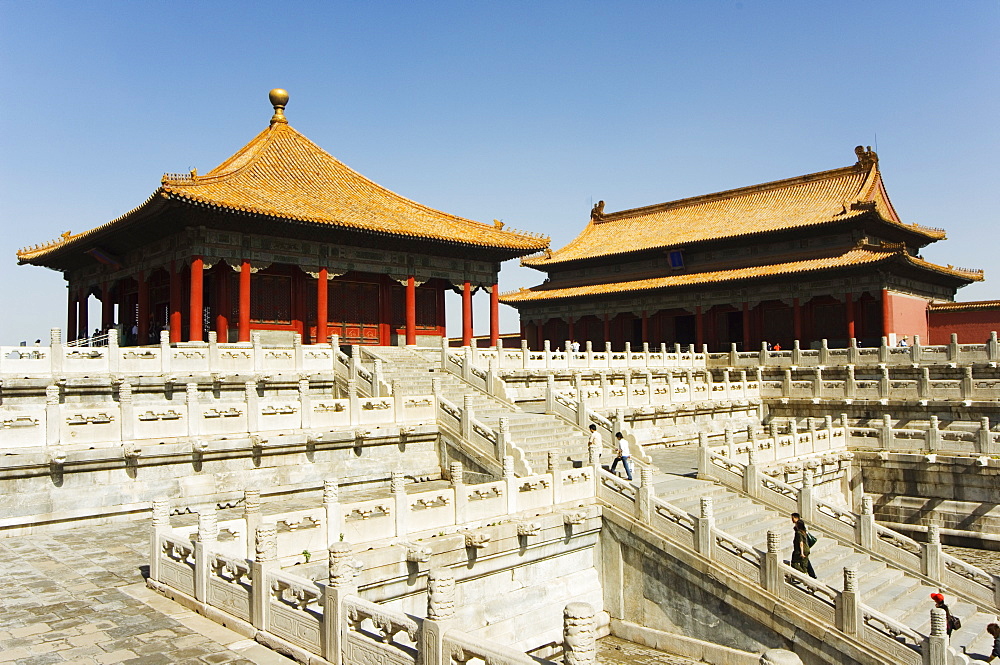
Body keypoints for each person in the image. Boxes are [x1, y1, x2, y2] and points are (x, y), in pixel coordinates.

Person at [790, 513, 816, 578]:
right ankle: (810, 574)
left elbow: (801, 542)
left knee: (795, 563)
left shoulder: (799, 532)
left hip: (801, 549)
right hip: (806, 548)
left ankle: (803, 573)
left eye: (793, 518)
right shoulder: (802, 529)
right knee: (805, 563)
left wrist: (801, 552)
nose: (792, 519)